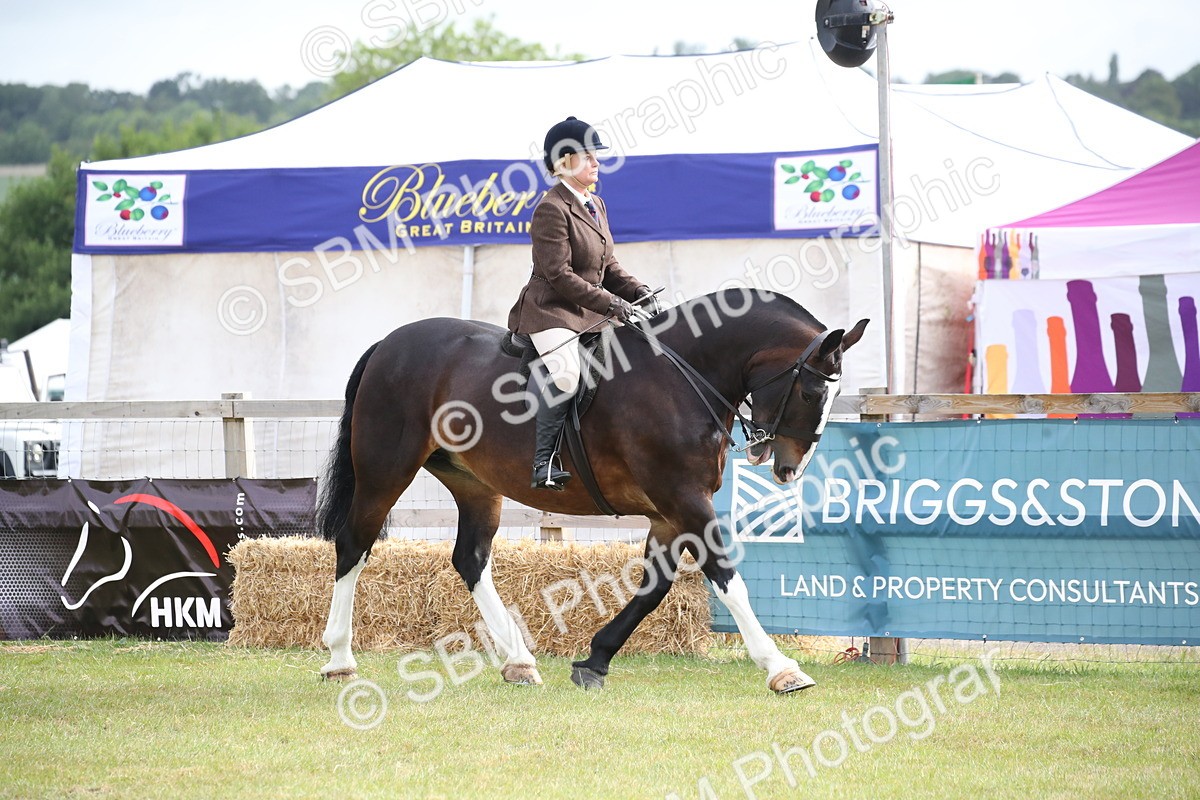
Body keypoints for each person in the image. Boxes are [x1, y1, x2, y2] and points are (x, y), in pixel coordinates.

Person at [507, 116, 657, 490]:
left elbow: (607, 266)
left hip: (589, 310)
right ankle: (543, 462)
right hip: (551, 310)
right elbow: (559, 274)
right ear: (563, 163)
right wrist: (611, 304)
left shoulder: (596, 204)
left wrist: (639, 292)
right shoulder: (551, 209)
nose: (596, 163)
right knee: (566, 374)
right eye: (588, 156)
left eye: (595, 156)